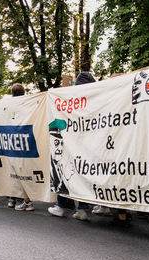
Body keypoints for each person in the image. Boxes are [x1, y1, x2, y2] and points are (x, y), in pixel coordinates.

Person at [48, 72, 97, 221]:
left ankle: (60, 206)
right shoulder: (96, 98)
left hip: (72, 143)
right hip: (90, 145)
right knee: (83, 175)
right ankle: (82, 208)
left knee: (65, 173)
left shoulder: (72, 98)